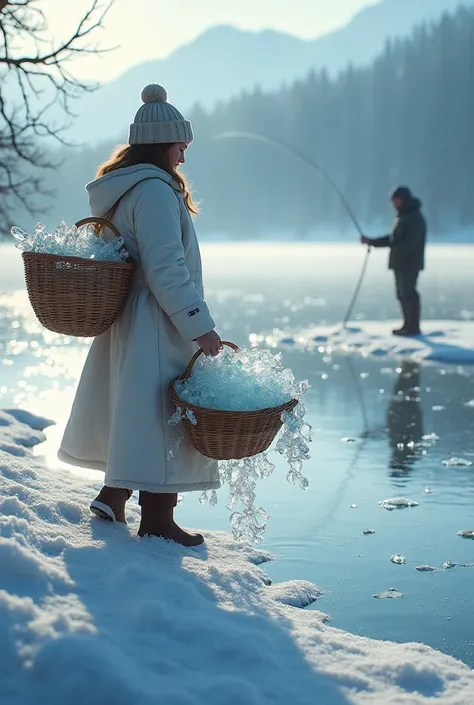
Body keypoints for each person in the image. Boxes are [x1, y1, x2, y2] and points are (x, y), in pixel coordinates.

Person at [58, 83, 221, 547]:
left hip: (134, 316)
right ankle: (157, 520)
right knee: (159, 414)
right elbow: (165, 266)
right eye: (181, 148)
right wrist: (200, 326)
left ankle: (113, 496)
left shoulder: (132, 188)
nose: (183, 159)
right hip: (156, 320)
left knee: (134, 408)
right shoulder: (152, 193)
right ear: (163, 143)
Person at [361, 186, 426, 336]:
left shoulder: (414, 217)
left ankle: (413, 328)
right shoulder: (402, 217)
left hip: (409, 263)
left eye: (396, 200)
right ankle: (407, 325)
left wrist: (396, 250)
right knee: (401, 293)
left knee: (409, 293)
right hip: (400, 263)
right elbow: (392, 239)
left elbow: (409, 243)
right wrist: (371, 241)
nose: (394, 204)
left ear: (403, 200)